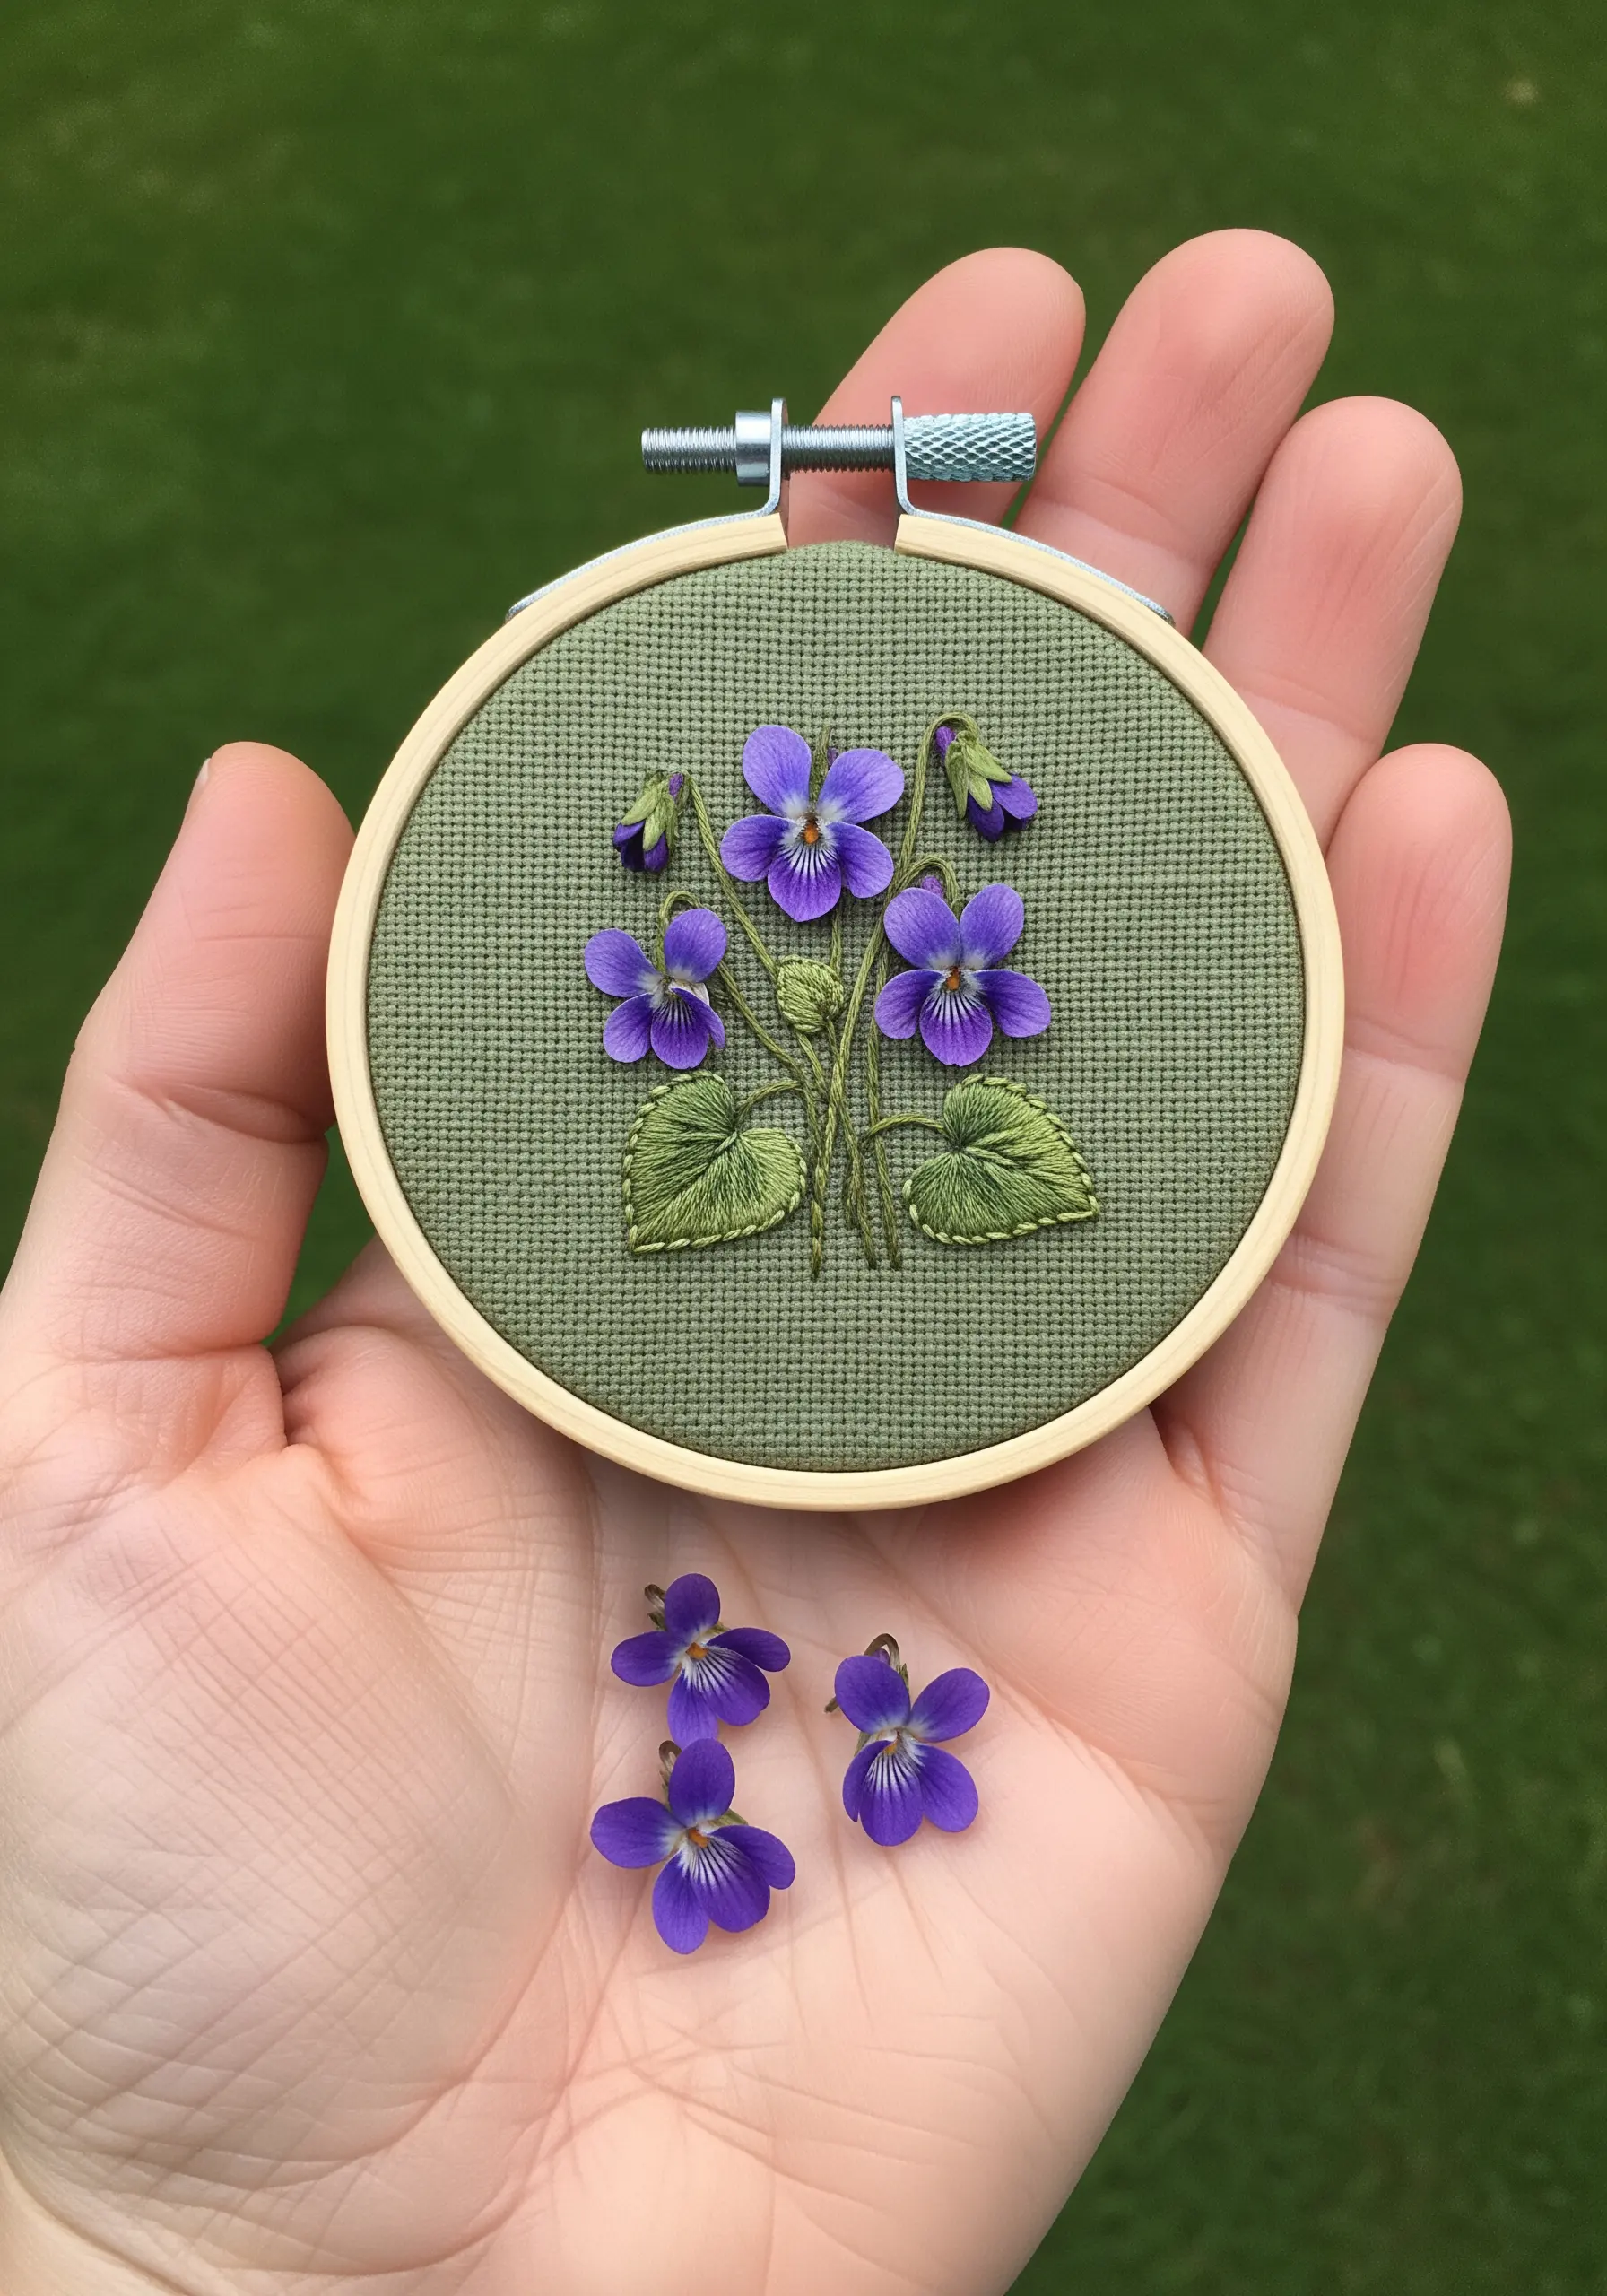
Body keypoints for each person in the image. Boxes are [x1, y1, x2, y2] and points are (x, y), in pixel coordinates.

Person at [0, 232, 1509, 2293]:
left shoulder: (830, 869)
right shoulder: (815, 893)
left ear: (858, 827)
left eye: (831, 838)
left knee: (855, 1069)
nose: (814, 856)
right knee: (820, 1066)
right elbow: (741, 962)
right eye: (807, 839)